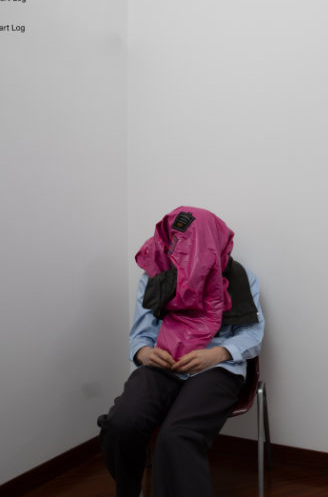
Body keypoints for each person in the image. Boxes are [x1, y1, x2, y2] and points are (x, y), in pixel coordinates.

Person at [98, 207, 265, 497]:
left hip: (216, 368)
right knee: (121, 424)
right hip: (163, 363)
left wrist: (217, 354)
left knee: (177, 436)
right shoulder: (155, 276)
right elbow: (140, 335)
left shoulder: (241, 278)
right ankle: (129, 491)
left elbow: (252, 334)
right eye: (178, 242)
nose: (185, 250)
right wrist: (144, 353)